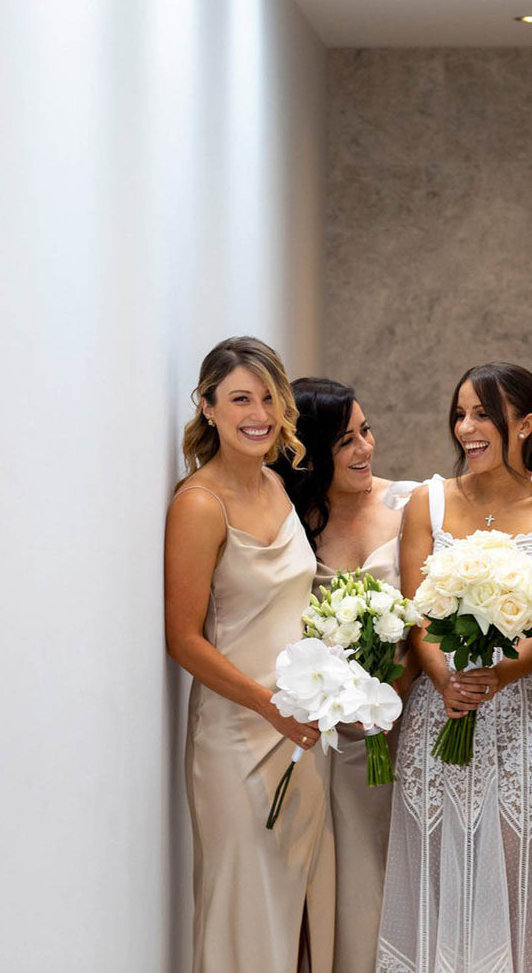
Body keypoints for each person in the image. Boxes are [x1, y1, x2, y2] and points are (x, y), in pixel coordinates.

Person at [376, 362, 532, 973]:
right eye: (460, 413)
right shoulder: (428, 502)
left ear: (525, 424)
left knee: (522, 885)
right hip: (441, 710)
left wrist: (497, 676)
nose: (467, 428)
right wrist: (446, 678)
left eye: (483, 414)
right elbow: (417, 614)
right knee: (441, 881)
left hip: (526, 717)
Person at [163, 337, 334, 973]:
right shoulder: (199, 504)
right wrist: (269, 706)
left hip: (298, 733)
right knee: (241, 906)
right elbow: (184, 639)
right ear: (207, 408)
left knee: (285, 910)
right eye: (239, 399)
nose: (257, 413)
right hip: (238, 736)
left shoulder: (274, 484)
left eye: (268, 397)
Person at [274, 377, 418, 973]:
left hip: (405, 726)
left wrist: (390, 698)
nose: (364, 449)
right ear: (309, 450)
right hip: (332, 738)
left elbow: (429, 622)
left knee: (403, 871)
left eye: (366, 431)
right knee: (346, 876)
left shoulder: (412, 505)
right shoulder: (292, 521)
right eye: (344, 441)